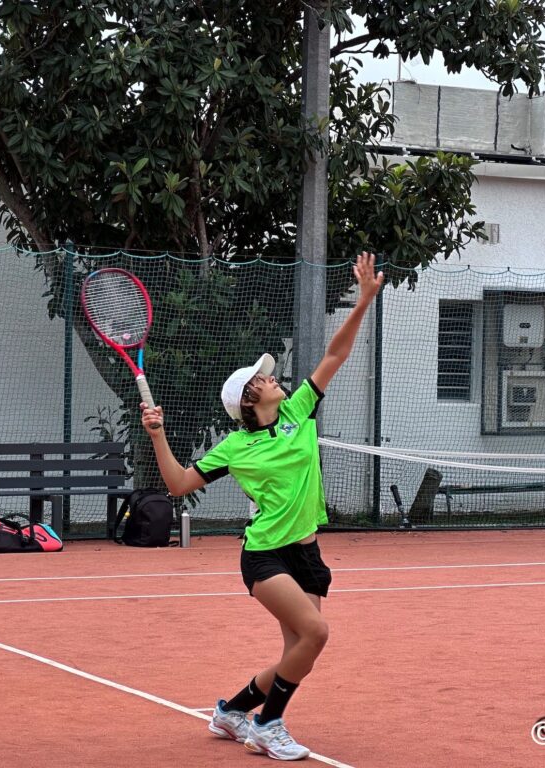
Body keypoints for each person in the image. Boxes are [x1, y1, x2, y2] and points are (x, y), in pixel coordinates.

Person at [140, 252, 384, 761]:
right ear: (251, 399)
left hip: (306, 554)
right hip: (265, 555)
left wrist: (362, 303)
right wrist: (158, 435)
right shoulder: (235, 446)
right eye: (263, 378)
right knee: (315, 633)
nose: (274, 378)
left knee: (301, 652)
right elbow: (181, 483)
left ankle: (231, 710)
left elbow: (334, 358)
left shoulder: (297, 412)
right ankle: (267, 723)